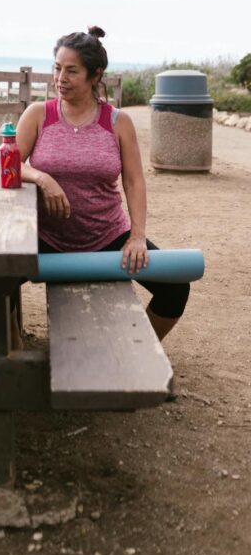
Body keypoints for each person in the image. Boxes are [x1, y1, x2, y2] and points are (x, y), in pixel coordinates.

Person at [15, 25, 189, 347]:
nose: (60, 78)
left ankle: (140, 350)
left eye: (71, 71)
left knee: (176, 287)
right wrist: (42, 178)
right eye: (56, 68)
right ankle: (12, 347)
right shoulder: (39, 115)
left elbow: (134, 181)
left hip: (108, 238)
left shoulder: (117, 122)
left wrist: (137, 237)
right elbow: (9, 162)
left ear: (95, 75)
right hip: (47, 239)